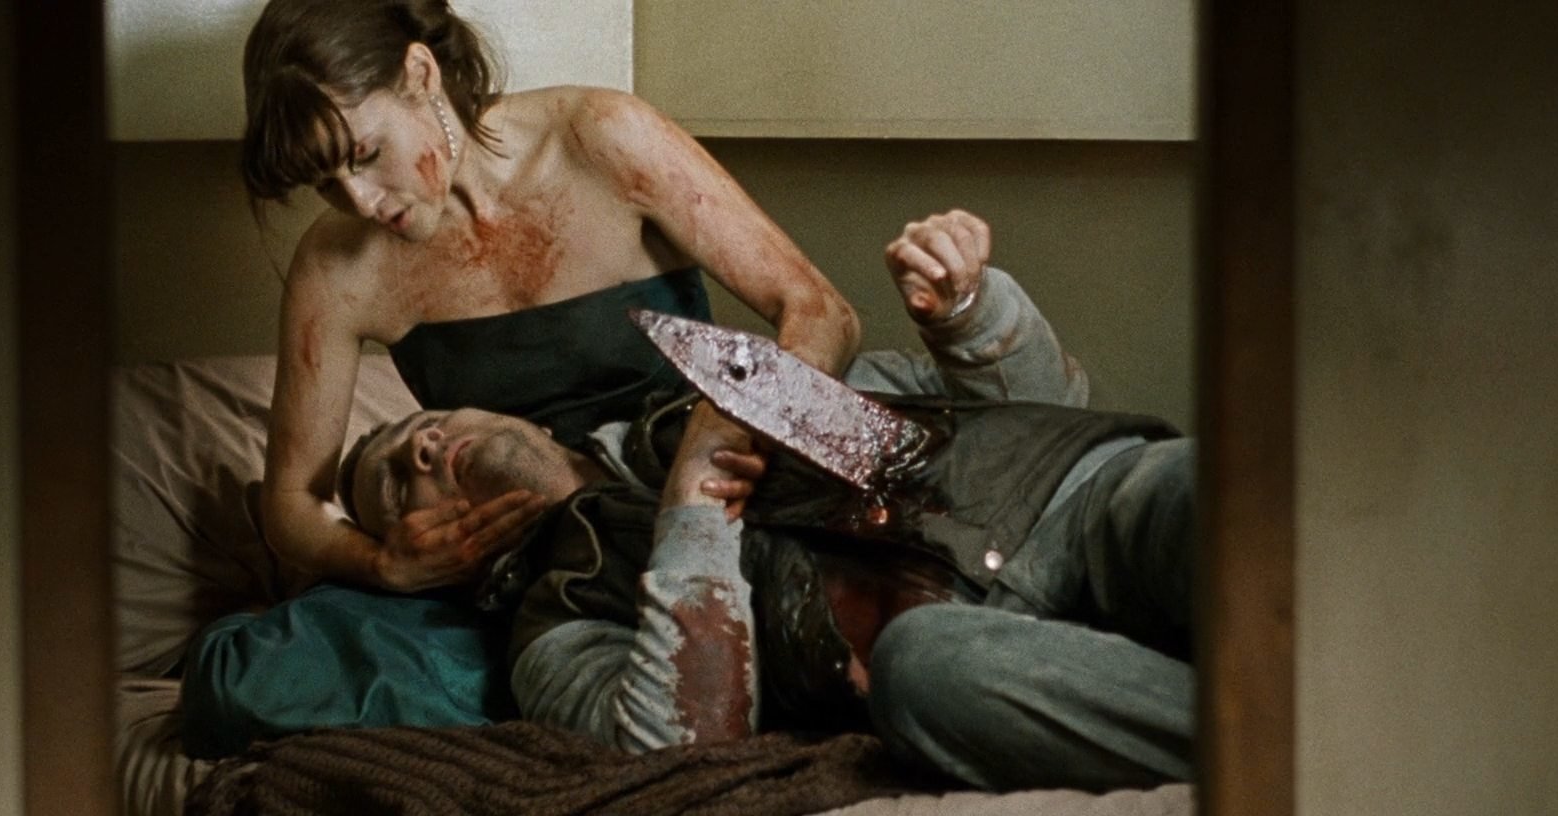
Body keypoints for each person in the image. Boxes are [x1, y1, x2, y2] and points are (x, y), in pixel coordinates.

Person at [337, 210, 1194, 791]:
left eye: (425, 425)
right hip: (960, 653)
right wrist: (693, 509)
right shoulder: (556, 626)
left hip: (1086, 497)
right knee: (919, 667)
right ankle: (1271, 739)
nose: (420, 447)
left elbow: (1042, 404)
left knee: (1179, 491)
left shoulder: (708, 383)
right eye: (396, 482)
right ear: (432, 556)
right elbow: (681, 748)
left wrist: (969, 312)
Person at [239, 0, 859, 593]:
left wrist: (746, 428)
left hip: (695, 492)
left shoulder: (602, 136)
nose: (361, 202)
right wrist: (381, 564)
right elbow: (291, 503)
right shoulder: (335, 266)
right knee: (267, 653)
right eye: (326, 184)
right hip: (527, 560)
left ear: (421, 74)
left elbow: (821, 314)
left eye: (367, 155)